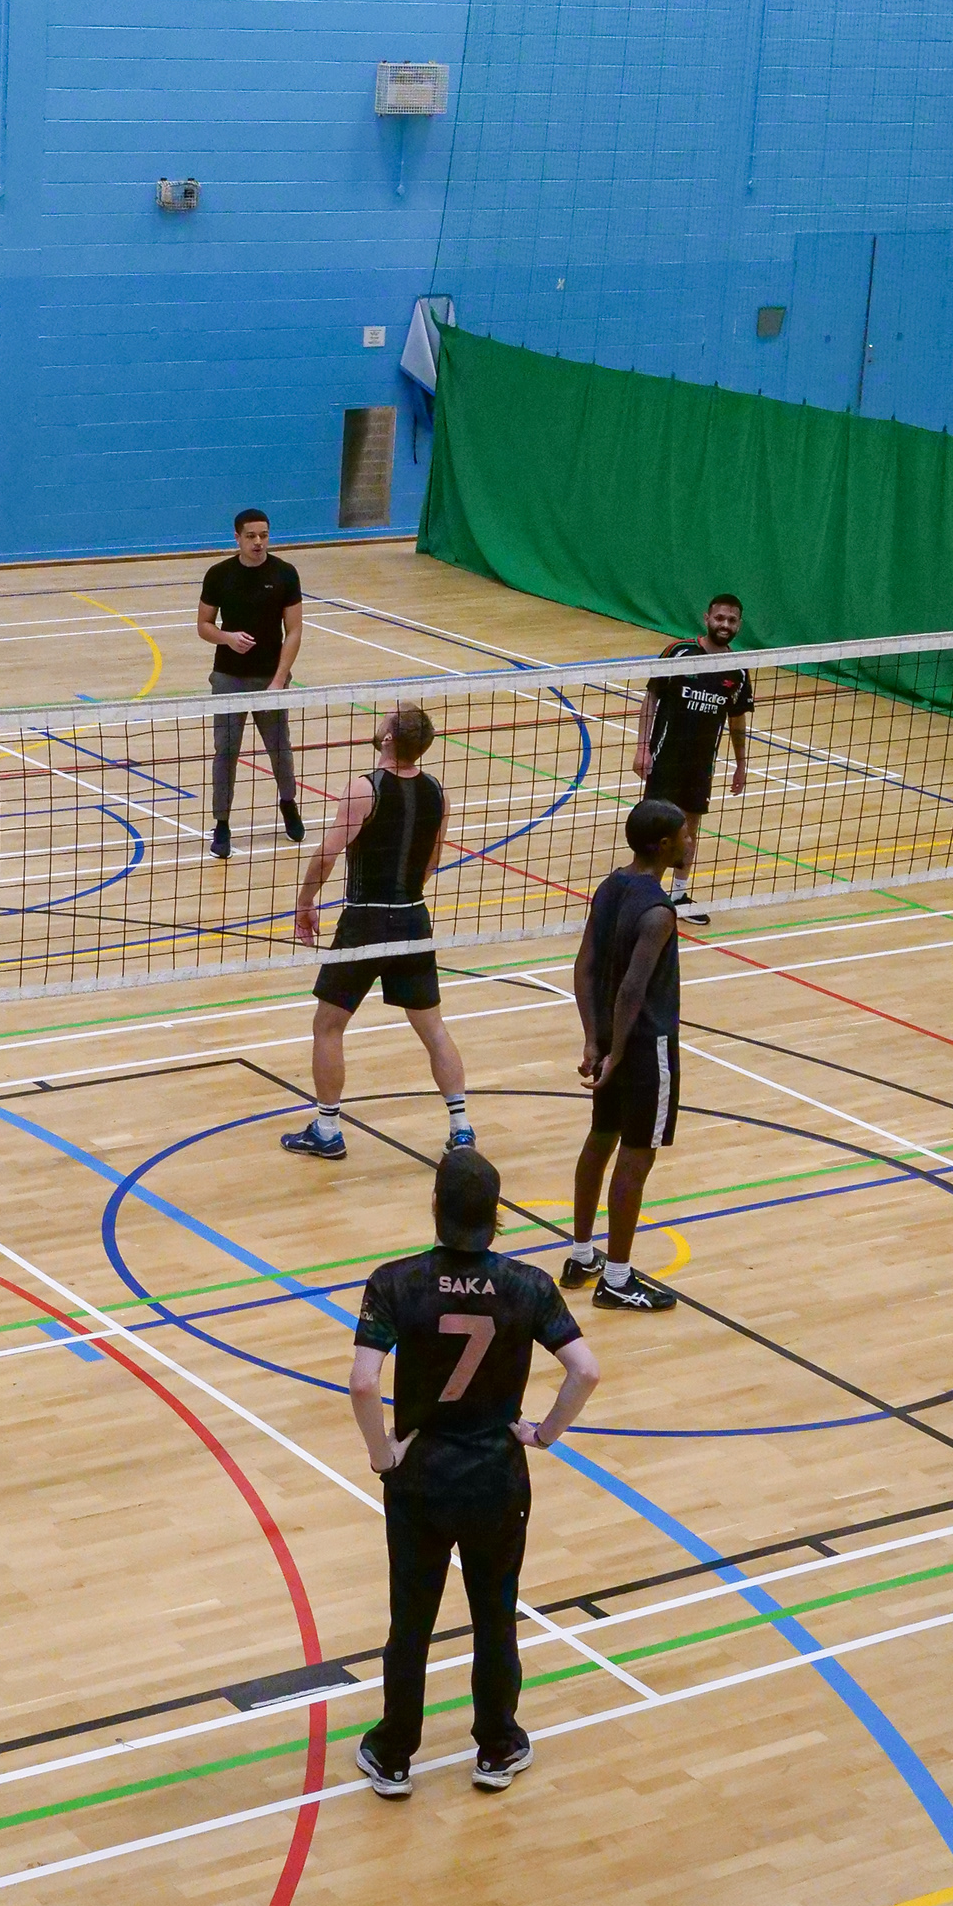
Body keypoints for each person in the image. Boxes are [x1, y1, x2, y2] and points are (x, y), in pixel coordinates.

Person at [351, 1149, 600, 1799]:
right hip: (496, 1478)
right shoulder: (528, 1286)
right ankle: (497, 1745)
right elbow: (585, 1370)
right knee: (494, 1615)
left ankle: (394, 1753)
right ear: (497, 1215)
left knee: (411, 1621)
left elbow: (363, 1382)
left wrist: (381, 1454)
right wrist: (543, 1433)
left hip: (421, 1478)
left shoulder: (395, 1282)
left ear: (435, 1207)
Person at [283, 700, 475, 1161]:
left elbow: (328, 854)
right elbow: (431, 860)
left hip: (365, 921)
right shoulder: (438, 792)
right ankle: (461, 1127)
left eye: (385, 719)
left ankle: (327, 1129)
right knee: (433, 1028)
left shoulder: (364, 789)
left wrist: (305, 902)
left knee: (328, 1025)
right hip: (413, 917)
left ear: (388, 738)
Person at [562, 798, 690, 1311]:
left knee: (600, 1138)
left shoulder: (610, 886)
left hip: (612, 1039)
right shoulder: (658, 912)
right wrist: (615, 1052)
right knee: (636, 1156)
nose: (691, 841)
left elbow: (584, 966)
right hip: (644, 1045)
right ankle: (616, 1279)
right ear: (664, 844)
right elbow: (634, 988)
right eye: (685, 834)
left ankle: (581, 1255)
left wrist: (594, 1039)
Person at [630, 592, 753, 924]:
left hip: (701, 764)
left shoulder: (738, 670)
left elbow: (737, 721)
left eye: (731, 620)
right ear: (706, 618)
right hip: (666, 757)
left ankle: (679, 895)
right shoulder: (680, 652)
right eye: (719, 618)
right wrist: (642, 747)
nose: (725, 624)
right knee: (655, 827)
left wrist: (741, 764)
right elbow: (651, 697)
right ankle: (645, 891)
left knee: (689, 829)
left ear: (739, 625)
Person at [197, 506, 304, 859]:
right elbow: (204, 625)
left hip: (269, 678)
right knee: (226, 751)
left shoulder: (285, 574)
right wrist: (227, 638)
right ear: (237, 538)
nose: (258, 542)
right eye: (251, 536)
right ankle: (222, 824)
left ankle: (288, 803)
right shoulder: (219, 575)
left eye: (264, 535)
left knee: (280, 748)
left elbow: (294, 631)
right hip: (228, 679)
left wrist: (278, 681)